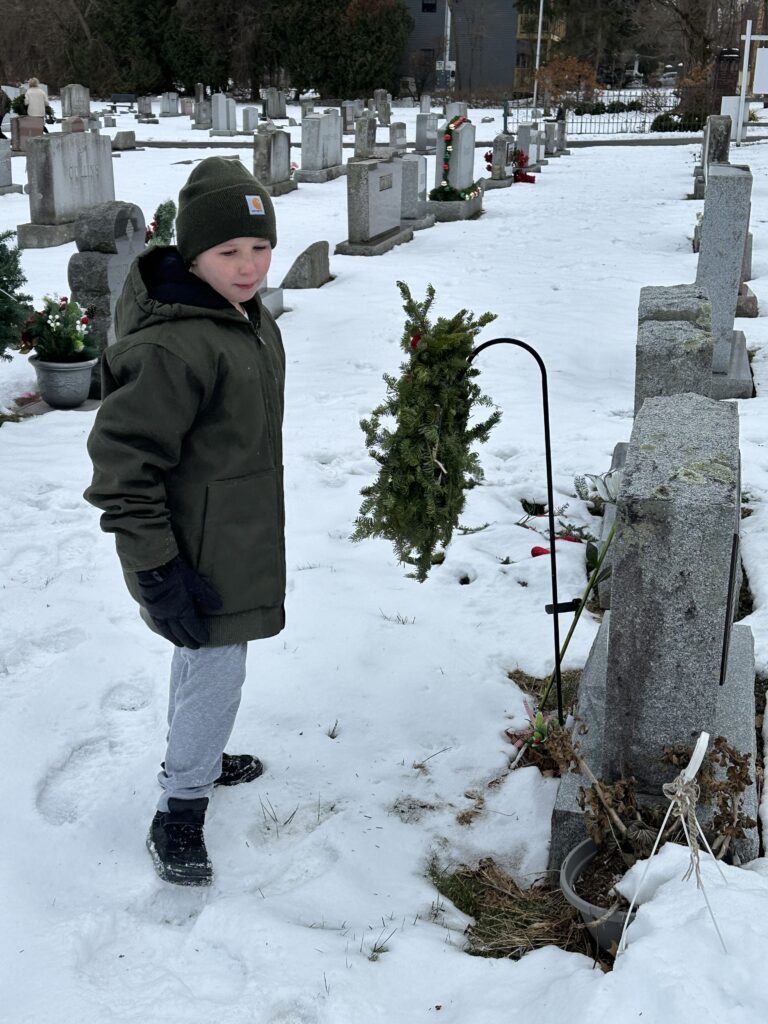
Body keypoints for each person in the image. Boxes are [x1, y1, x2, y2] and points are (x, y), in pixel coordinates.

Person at [84, 157, 285, 886]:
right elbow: (122, 468)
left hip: (232, 532)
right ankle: (181, 809)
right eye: (229, 251)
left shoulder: (239, 320)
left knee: (203, 660)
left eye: (260, 248)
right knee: (216, 668)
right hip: (192, 548)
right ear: (192, 254)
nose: (249, 265)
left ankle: (192, 756)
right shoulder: (177, 343)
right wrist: (158, 569)